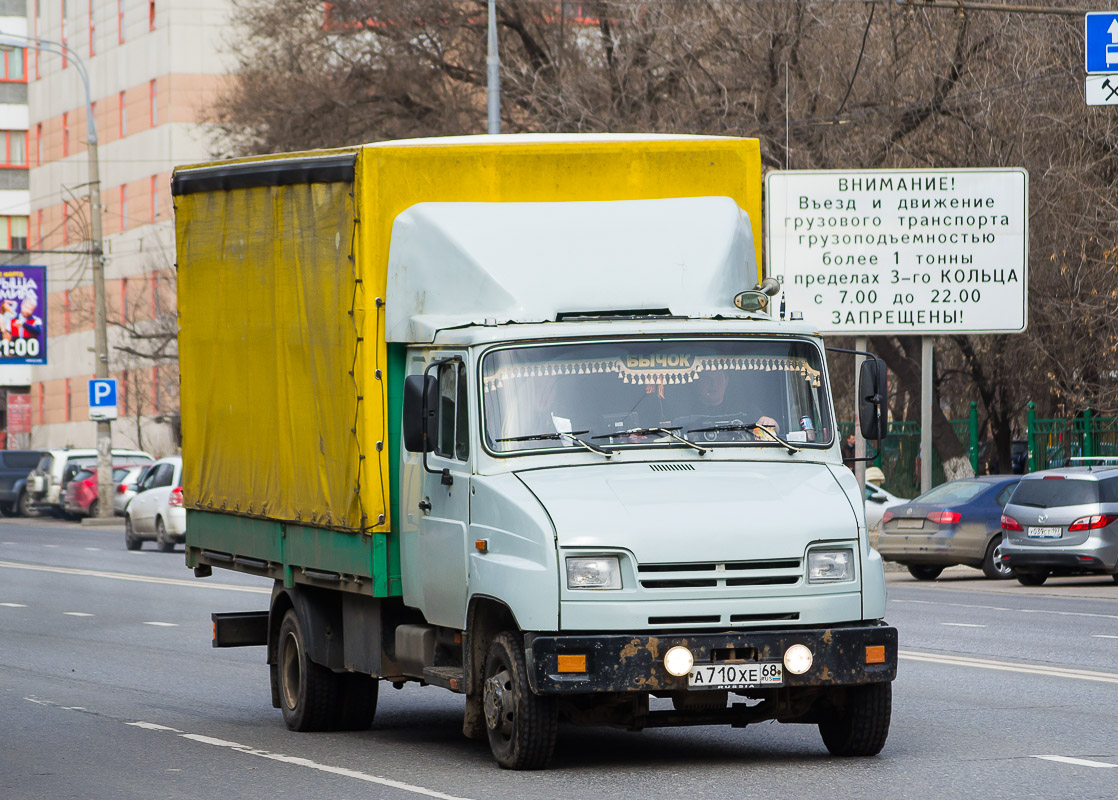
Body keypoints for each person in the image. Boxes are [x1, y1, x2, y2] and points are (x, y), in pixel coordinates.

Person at [693, 369, 779, 438]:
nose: (714, 384)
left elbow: (775, 428)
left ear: (726, 382)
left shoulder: (745, 410)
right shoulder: (686, 413)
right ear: (698, 382)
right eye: (707, 379)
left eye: (719, 379)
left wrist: (770, 423)